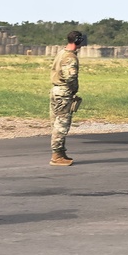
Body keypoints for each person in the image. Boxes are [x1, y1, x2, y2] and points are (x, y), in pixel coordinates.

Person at [49, 30, 85, 166]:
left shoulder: (61, 53)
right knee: (62, 123)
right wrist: (74, 89)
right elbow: (70, 77)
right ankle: (57, 155)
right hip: (64, 91)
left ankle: (60, 152)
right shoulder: (70, 57)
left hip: (56, 90)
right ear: (77, 41)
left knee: (56, 122)